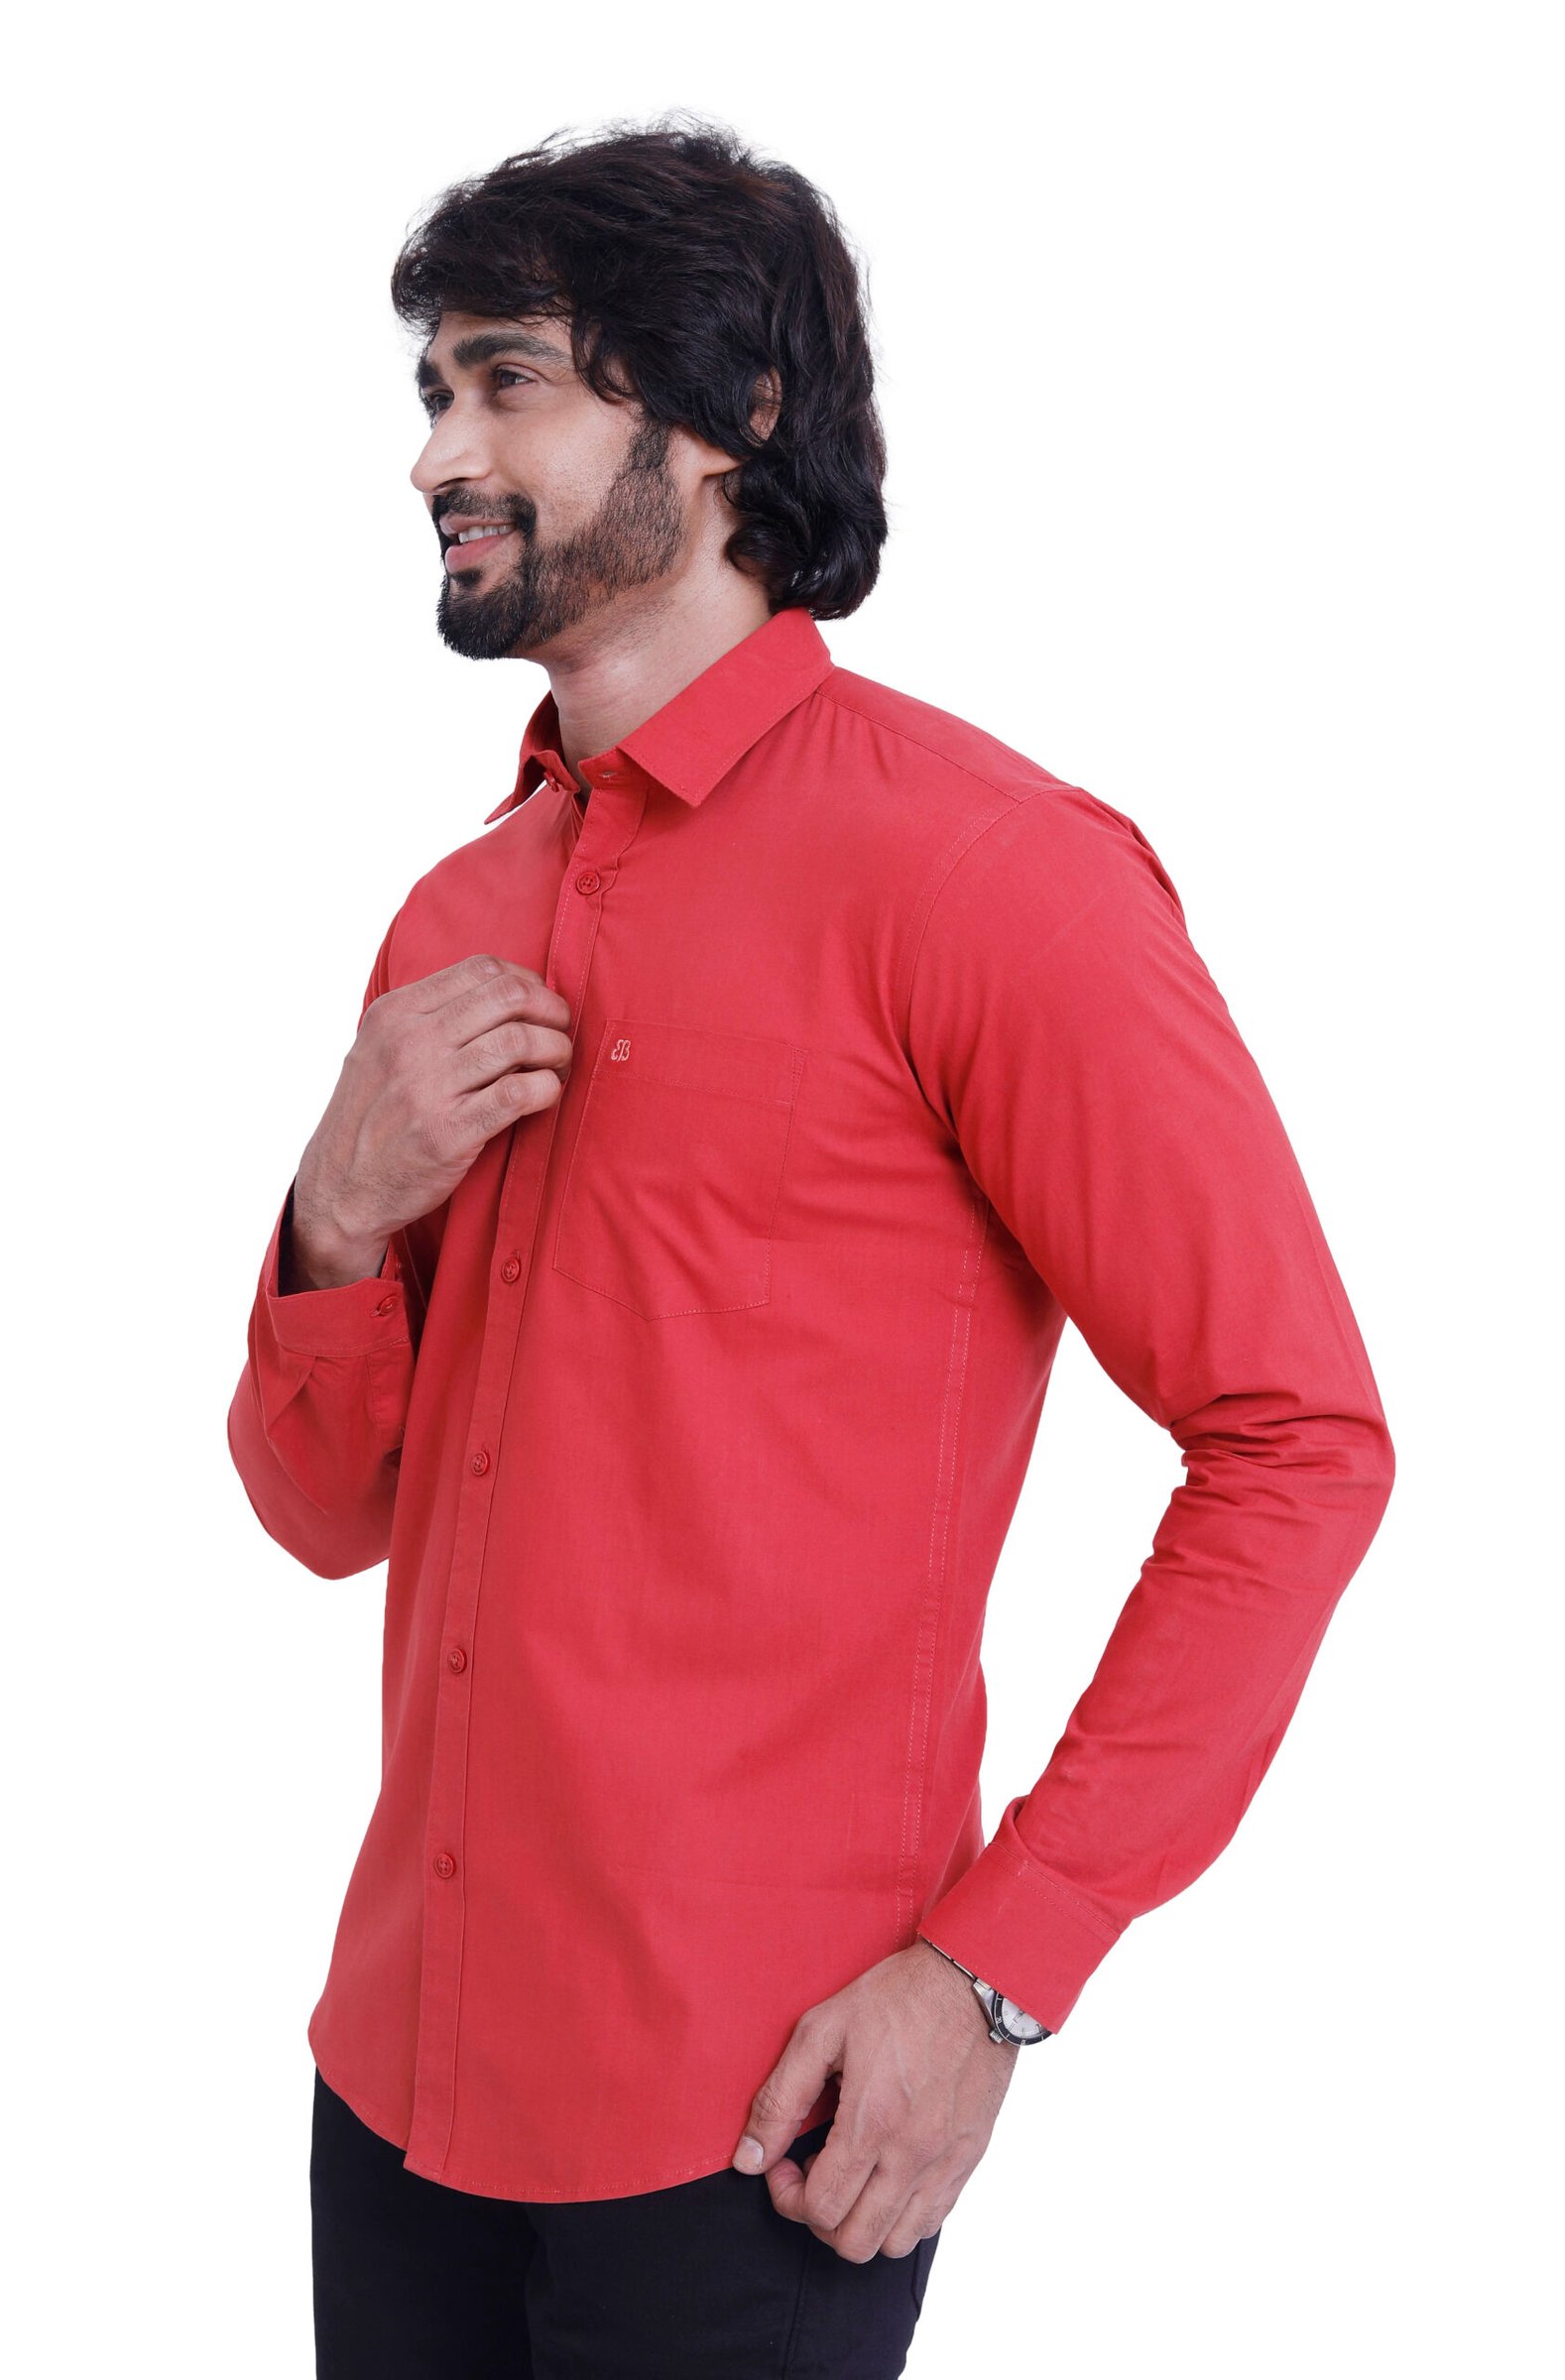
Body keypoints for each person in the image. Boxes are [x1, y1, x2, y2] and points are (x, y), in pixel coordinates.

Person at [227, 113, 1395, 2380]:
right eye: (429, 393)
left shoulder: (989, 878)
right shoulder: (451, 915)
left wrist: (994, 1971)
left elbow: (1296, 1441)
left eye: (503, 381)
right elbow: (323, 1515)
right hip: (393, 2081)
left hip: (753, 2115)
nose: (434, 455)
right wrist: (332, 1214)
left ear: (730, 414)